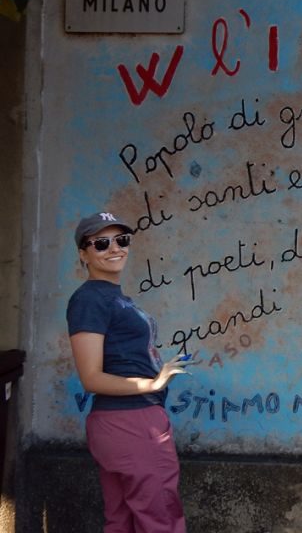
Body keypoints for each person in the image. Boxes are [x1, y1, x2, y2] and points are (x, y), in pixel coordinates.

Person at [67, 211, 191, 532]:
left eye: (121, 240)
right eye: (101, 243)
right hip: (131, 422)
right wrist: (153, 383)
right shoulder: (90, 299)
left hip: (126, 422)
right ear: (83, 254)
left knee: (122, 521)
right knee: (161, 520)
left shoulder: (113, 297)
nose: (114, 248)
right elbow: (91, 377)